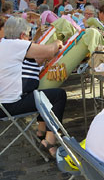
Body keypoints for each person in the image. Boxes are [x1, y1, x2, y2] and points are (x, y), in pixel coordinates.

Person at [0, 17, 66, 158]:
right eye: (29, 35)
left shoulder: (4, 44)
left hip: (3, 104)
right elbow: (49, 51)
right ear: (23, 35)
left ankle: (41, 132)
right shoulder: (15, 44)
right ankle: (50, 142)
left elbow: (36, 58)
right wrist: (57, 42)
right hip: (10, 106)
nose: (29, 38)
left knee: (39, 94)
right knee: (59, 96)